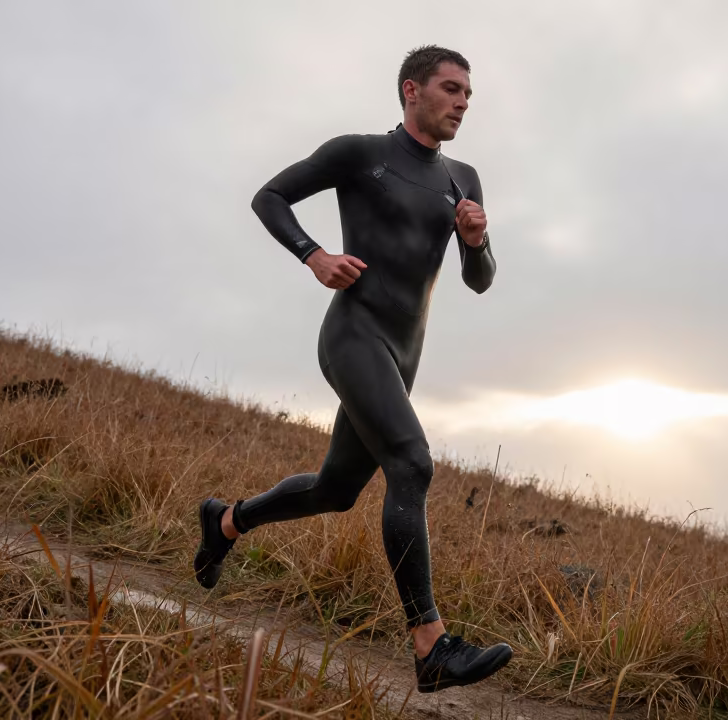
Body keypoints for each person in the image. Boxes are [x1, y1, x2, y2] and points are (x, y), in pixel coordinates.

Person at [195, 45, 511, 693]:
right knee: (412, 463)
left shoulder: (463, 177)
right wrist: (313, 255)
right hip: (353, 335)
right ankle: (430, 645)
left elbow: (479, 282)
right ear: (411, 90)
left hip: (404, 354)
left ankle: (226, 521)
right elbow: (270, 196)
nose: (462, 102)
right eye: (451, 89)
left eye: (468, 94)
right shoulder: (360, 153)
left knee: (337, 490)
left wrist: (476, 242)